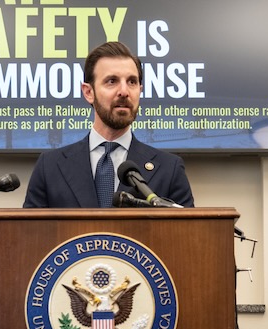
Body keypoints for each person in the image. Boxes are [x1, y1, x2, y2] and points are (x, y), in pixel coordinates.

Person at [22, 41, 195, 209]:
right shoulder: (50, 167)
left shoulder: (169, 169)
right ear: (89, 92)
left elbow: (187, 235)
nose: (124, 91)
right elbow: (30, 235)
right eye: (112, 81)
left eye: (132, 82)